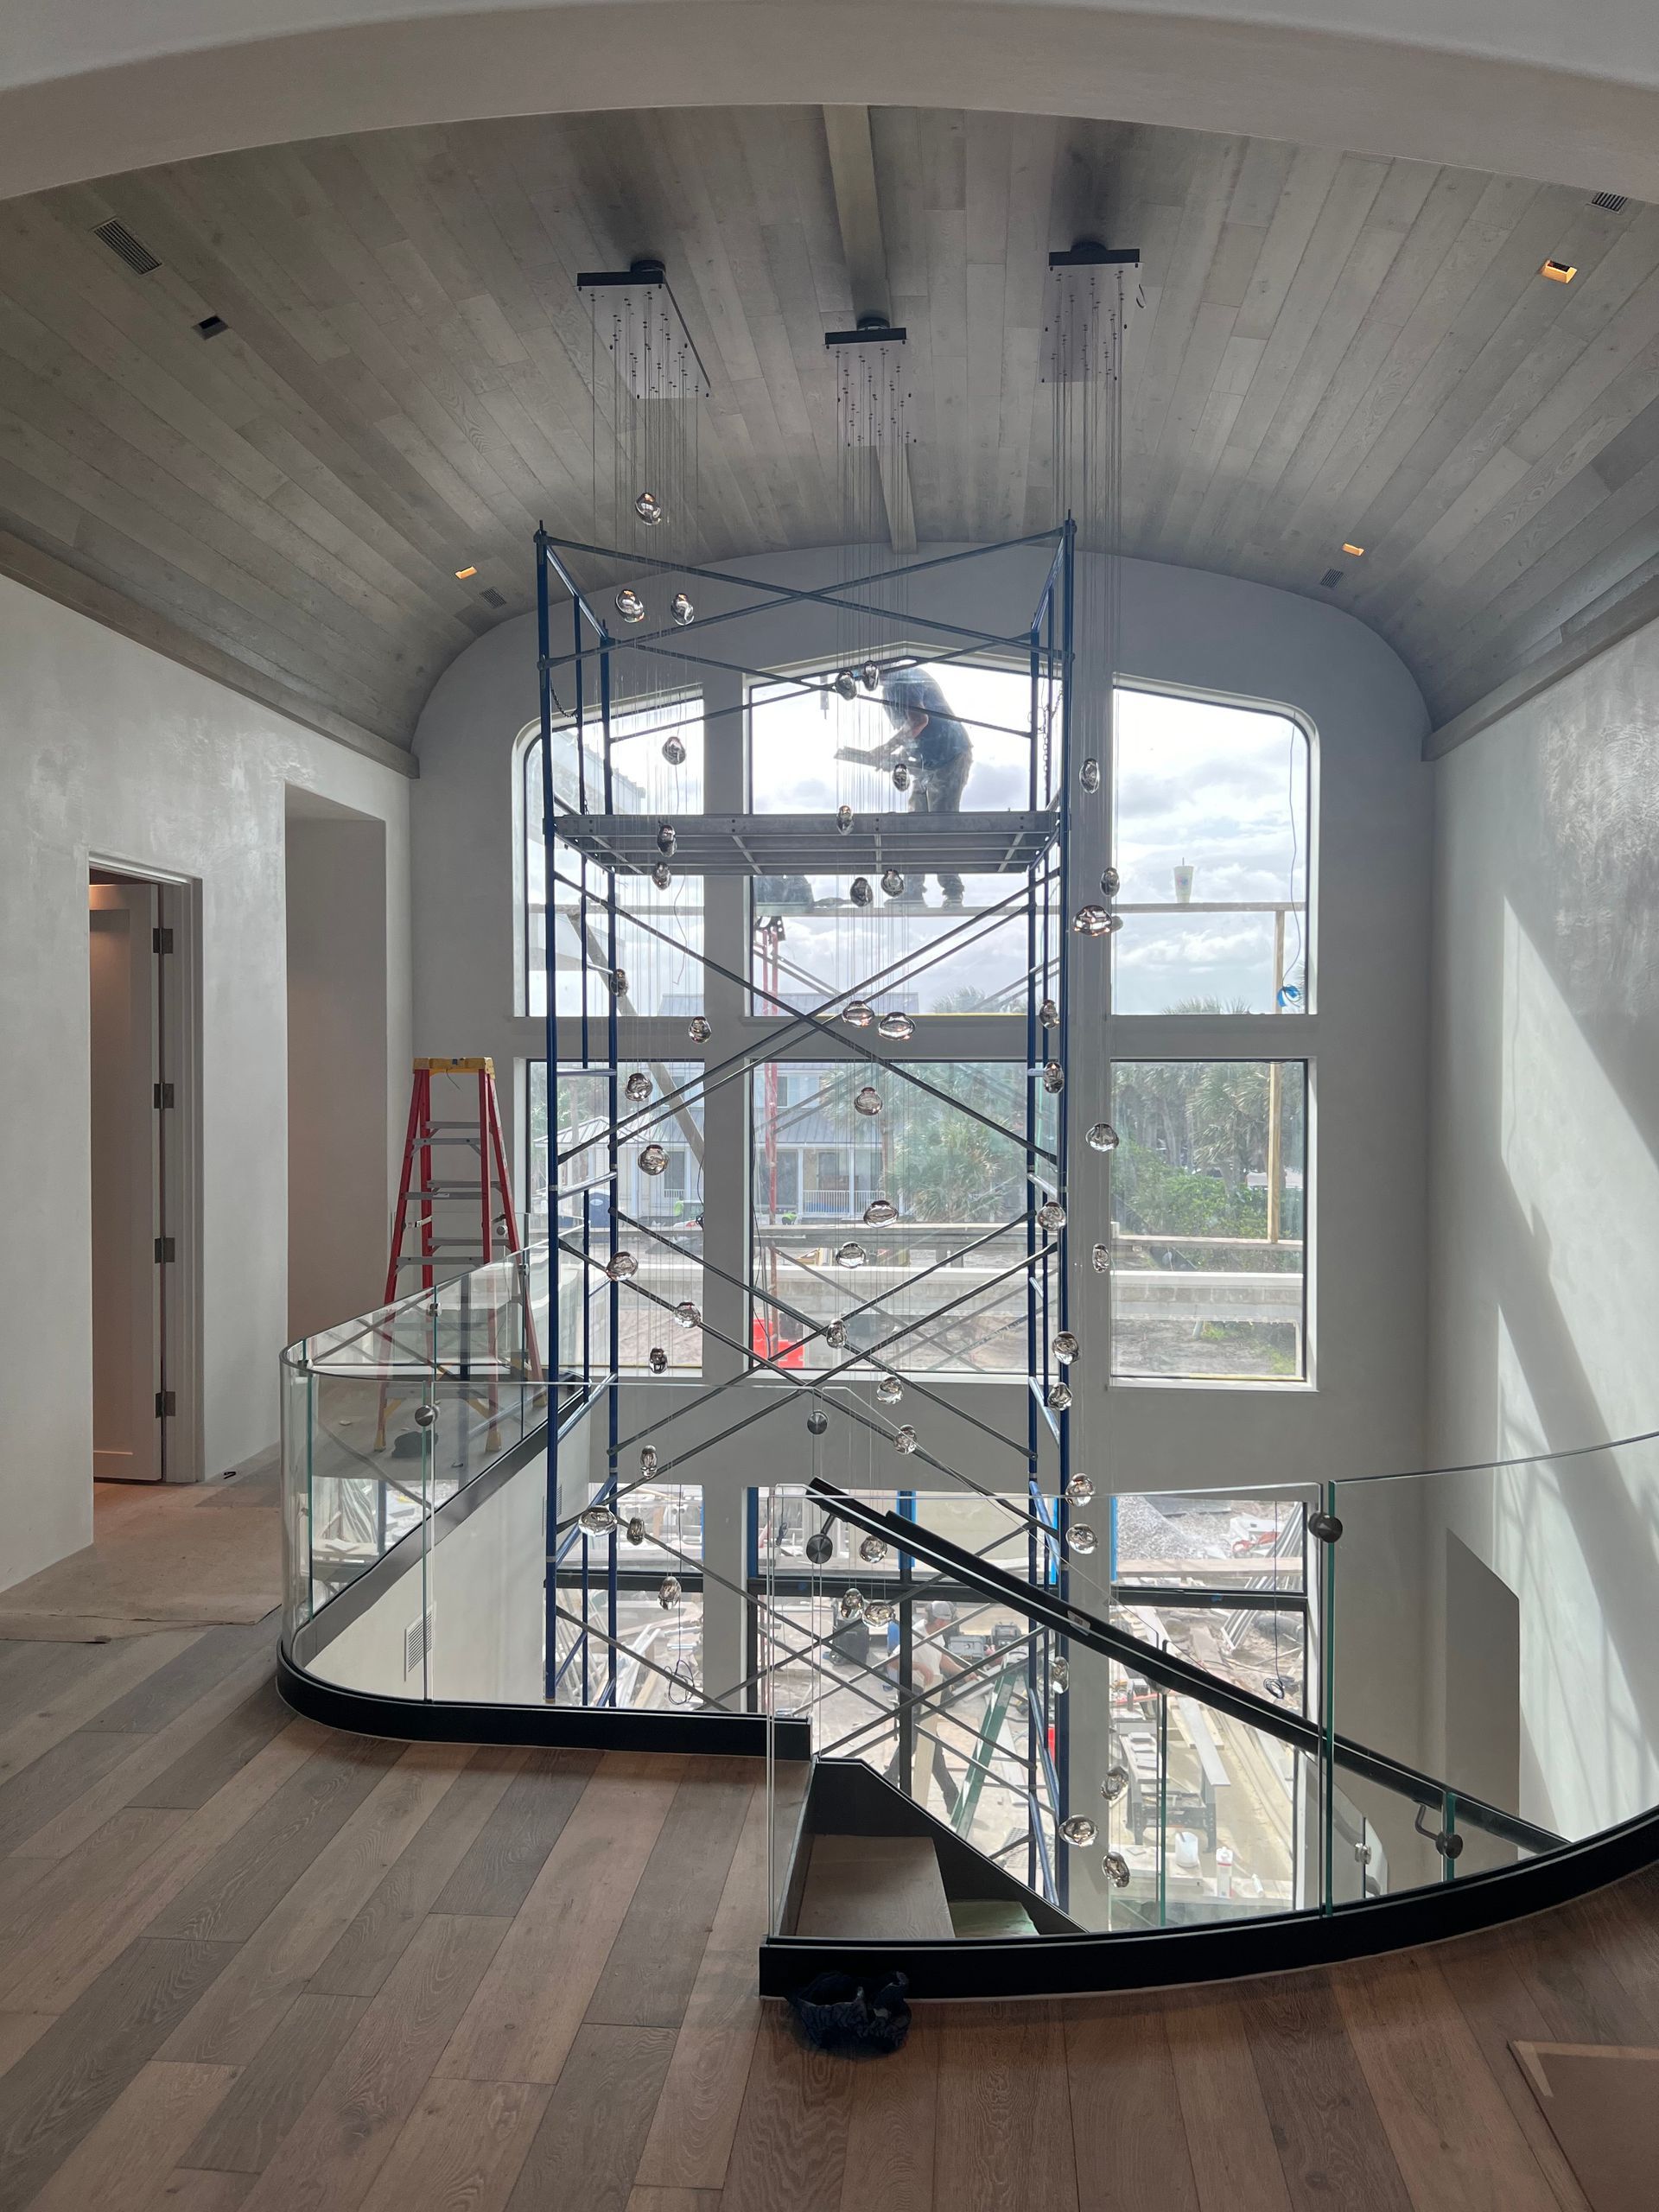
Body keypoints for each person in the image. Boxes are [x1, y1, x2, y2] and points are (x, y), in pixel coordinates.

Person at [878, 669, 974, 906]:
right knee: (916, 824)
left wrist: (886, 749)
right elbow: (914, 733)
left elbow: (919, 721)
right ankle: (913, 891)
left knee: (941, 823)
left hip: (949, 755)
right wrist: (900, 755)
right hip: (927, 760)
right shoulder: (893, 686)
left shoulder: (902, 681)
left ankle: (953, 892)